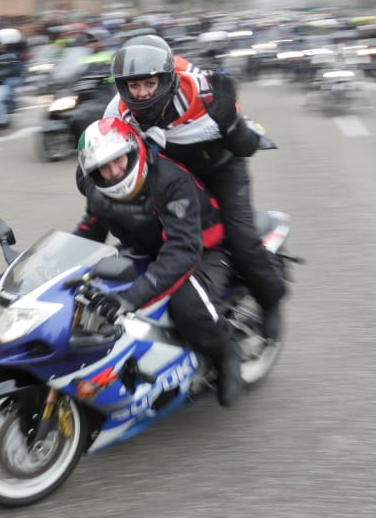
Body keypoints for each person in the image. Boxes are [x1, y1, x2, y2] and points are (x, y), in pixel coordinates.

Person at [103, 34, 287, 340]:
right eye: (133, 85)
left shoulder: (203, 91)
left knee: (241, 239)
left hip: (222, 167)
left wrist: (232, 125)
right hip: (174, 172)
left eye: (150, 83)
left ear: (167, 79)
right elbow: (105, 148)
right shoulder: (117, 109)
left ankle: (271, 300)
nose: (142, 93)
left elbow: (248, 145)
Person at [73, 117, 242, 407]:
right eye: (104, 166)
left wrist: (131, 297)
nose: (114, 172)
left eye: (119, 160)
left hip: (202, 249)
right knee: (91, 288)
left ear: (133, 150)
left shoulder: (170, 181)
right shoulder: (97, 189)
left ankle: (226, 352)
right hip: (144, 249)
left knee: (187, 306)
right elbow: (90, 230)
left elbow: (182, 250)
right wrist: (53, 267)